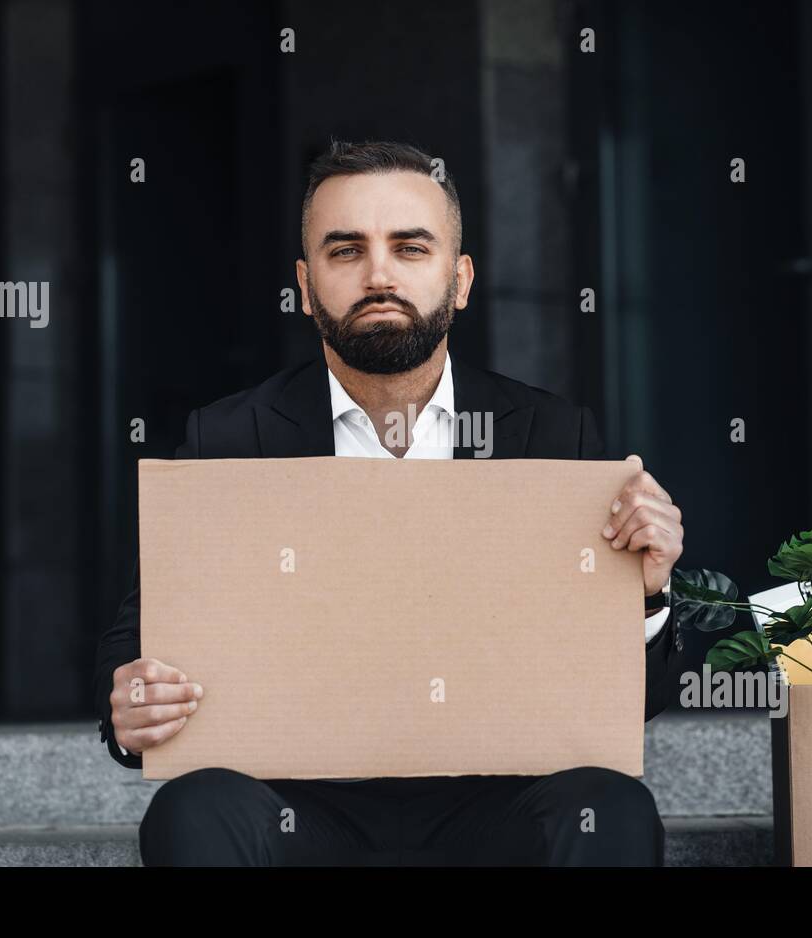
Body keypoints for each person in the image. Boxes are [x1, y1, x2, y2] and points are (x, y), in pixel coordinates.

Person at [92, 140, 688, 866]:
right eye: (346, 252)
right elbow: (140, 642)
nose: (379, 275)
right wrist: (131, 708)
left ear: (460, 279)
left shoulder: (552, 433)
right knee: (191, 811)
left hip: (497, 803)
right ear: (307, 287)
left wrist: (648, 595)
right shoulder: (228, 435)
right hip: (300, 808)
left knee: (611, 807)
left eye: (410, 248)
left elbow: (632, 702)